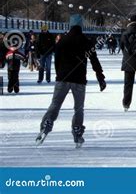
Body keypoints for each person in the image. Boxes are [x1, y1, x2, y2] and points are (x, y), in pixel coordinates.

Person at [36, 15, 106, 148]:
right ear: (81, 25)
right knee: (78, 108)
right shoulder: (85, 41)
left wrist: (59, 74)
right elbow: (94, 60)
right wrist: (100, 77)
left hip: (63, 77)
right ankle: (77, 131)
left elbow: (57, 60)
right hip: (79, 79)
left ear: (70, 25)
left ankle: (46, 124)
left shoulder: (62, 41)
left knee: (55, 104)